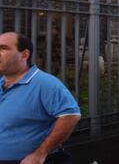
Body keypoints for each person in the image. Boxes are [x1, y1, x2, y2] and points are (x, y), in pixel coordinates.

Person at [0, 32, 81, 163]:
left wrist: (40, 153)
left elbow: (71, 115)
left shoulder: (44, 83)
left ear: (24, 55)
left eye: (4, 48)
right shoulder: (2, 82)